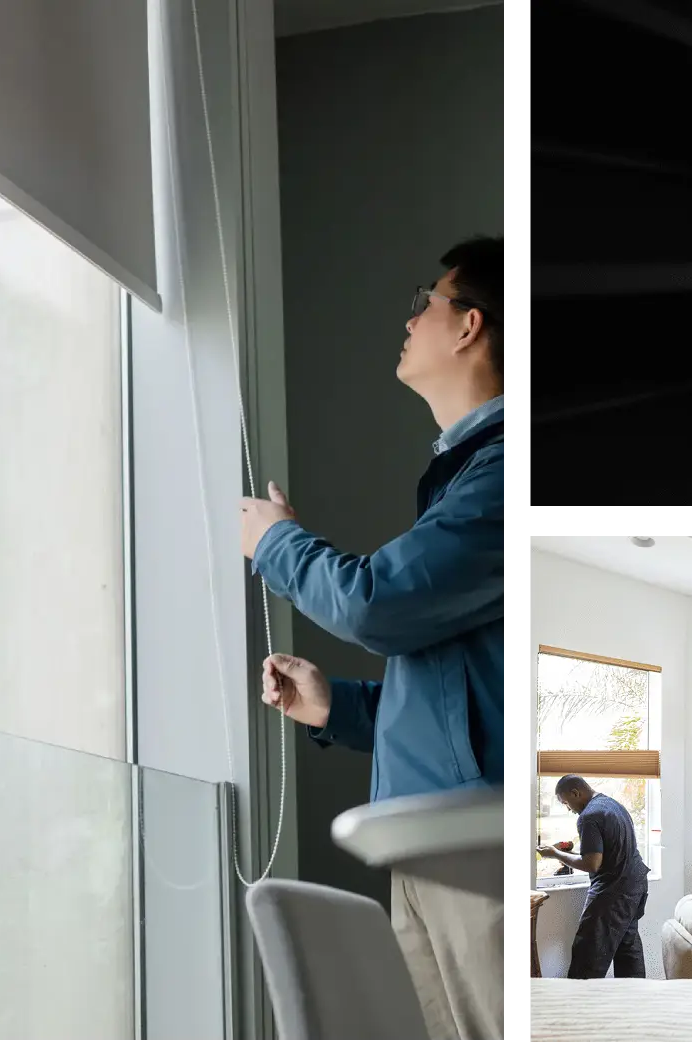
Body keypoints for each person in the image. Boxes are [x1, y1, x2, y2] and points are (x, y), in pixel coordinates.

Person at [238, 234, 510, 1041]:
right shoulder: (468, 474)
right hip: (433, 846)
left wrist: (274, 542)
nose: (411, 318)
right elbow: (457, 687)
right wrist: (339, 709)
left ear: (469, 325)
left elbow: (376, 605)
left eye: (427, 300)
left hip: (472, 851)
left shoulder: (502, 474)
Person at [537, 775, 650, 979]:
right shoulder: (613, 805)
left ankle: (580, 999)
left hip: (613, 891)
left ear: (575, 793)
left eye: (566, 802)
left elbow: (592, 864)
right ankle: (635, 996)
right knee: (628, 950)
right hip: (636, 885)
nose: (568, 808)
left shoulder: (589, 816)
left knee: (588, 953)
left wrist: (555, 854)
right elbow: (602, 855)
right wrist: (565, 853)